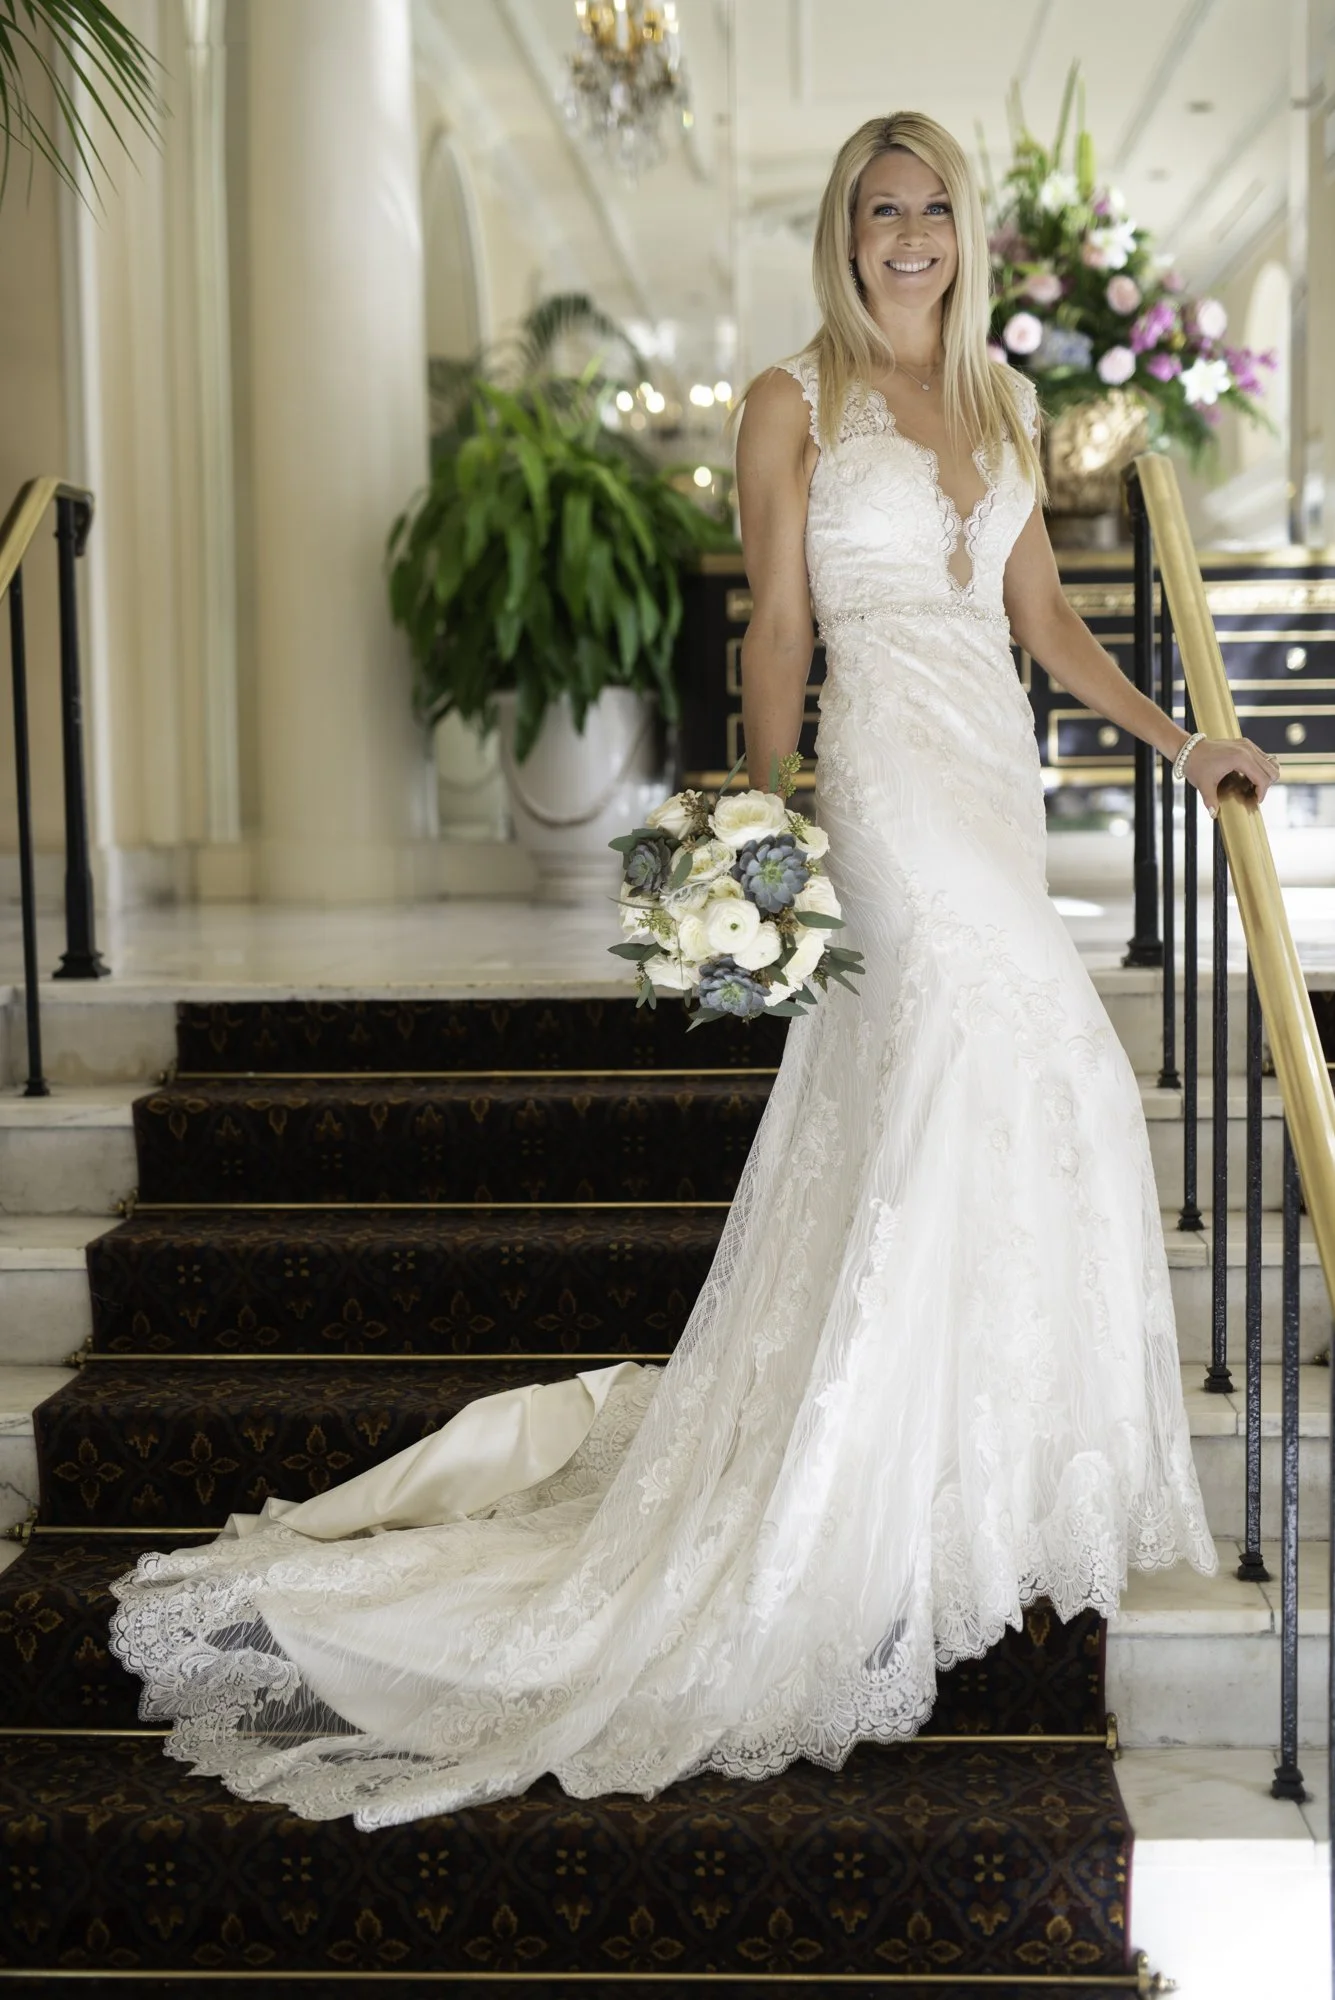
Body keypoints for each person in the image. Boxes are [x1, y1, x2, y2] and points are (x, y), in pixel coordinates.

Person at [110, 112, 1275, 1832]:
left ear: (964, 232)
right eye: (880, 209)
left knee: (1032, 1081)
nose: (908, 234)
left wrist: (1183, 741)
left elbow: (1040, 619)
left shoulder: (1000, 398)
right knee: (977, 1054)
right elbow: (779, 622)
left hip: (990, 779)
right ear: (843, 232)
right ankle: (862, 1489)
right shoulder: (791, 398)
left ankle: (972, 1472)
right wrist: (766, 813)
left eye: (932, 208)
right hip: (883, 786)